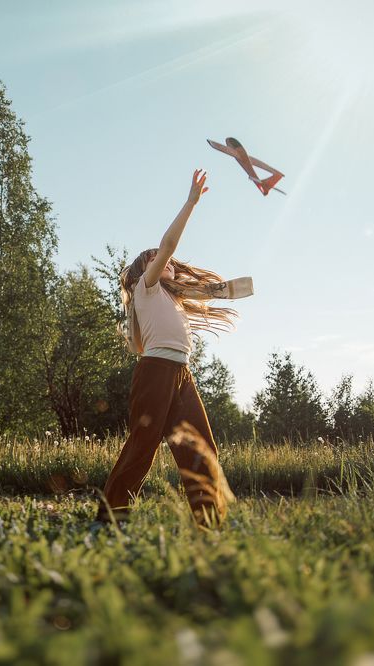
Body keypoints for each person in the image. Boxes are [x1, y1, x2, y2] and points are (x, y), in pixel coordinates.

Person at [93, 169, 237, 529]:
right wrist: (190, 203)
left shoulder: (171, 299)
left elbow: (190, 279)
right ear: (147, 268)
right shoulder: (147, 287)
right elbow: (169, 244)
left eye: (167, 260)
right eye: (158, 259)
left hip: (180, 374)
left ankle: (210, 524)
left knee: (201, 448)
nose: (167, 261)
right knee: (143, 447)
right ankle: (109, 520)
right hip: (155, 372)